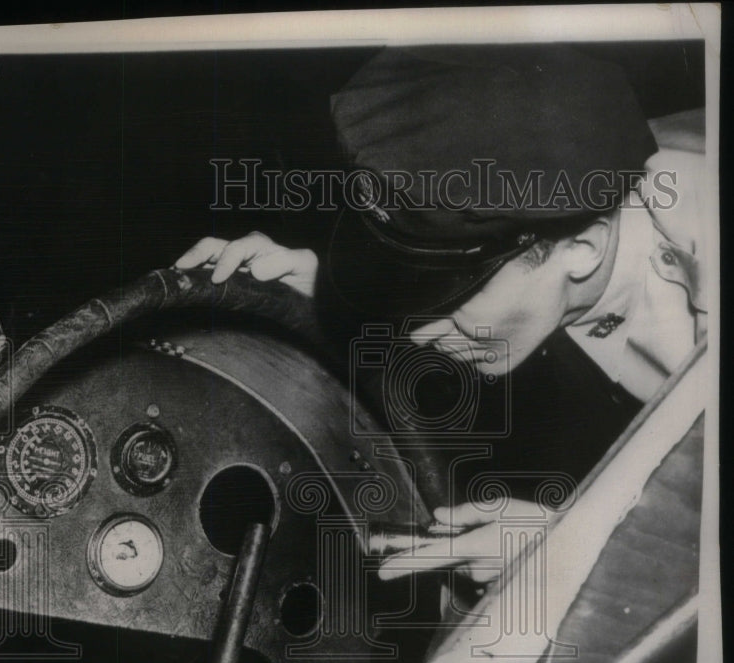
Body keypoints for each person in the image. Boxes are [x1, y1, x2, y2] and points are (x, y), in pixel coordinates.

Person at [176, 44, 706, 583]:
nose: (424, 336)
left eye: (450, 302)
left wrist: (576, 547)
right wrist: (339, 291)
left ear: (583, 248)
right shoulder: (579, 193)